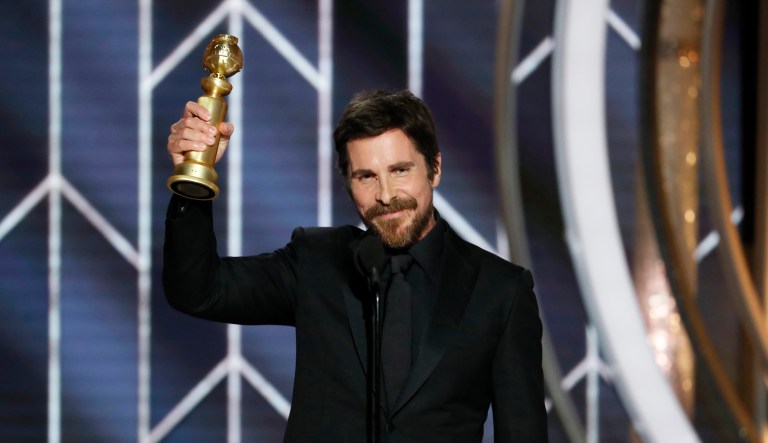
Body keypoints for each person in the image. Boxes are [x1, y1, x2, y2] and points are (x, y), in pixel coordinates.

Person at [163, 90, 547, 442]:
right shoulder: (316, 261)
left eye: (400, 170)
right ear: (348, 184)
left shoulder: (500, 291)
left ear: (435, 169)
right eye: (366, 177)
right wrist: (192, 182)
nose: (385, 195)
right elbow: (198, 291)